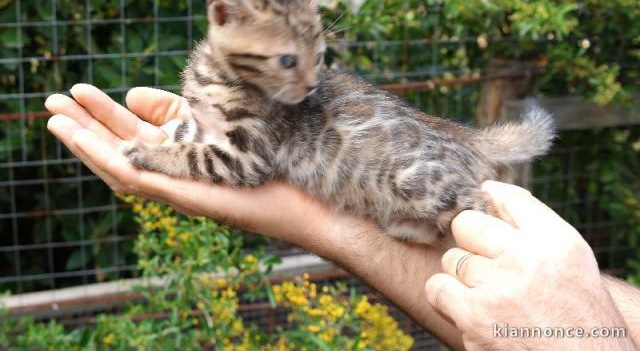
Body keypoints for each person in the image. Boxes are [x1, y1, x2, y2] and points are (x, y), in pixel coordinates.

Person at [45, 84, 639, 350]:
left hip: (406, 178)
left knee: (444, 203)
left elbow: (244, 161)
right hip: (380, 175)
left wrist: (580, 336)